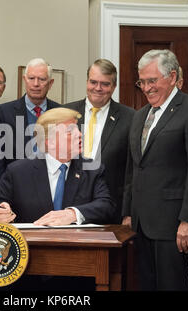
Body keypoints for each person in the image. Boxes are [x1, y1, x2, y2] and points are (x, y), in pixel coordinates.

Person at [122, 49, 188, 290]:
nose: (146, 88)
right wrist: (128, 212)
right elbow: (134, 168)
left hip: (174, 226)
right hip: (141, 225)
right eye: (142, 82)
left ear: (172, 77)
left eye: (153, 81)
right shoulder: (139, 116)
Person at [0, 107, 114, 226]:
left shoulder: (91, 169)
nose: (79, 135)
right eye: (70, 131)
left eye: (78, 129)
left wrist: (72, 214)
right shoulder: (19, 171)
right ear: (50, 142)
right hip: (32, 249)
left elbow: (106, 206)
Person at [65, 59, 134, 223]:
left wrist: (128, 212)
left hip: (111, 208)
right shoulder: (66, 113)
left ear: (114, 86)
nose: (98, 88)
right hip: (68, 206)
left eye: (105, 84)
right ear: (87, 81)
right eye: (93, 82)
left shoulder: (131, 117)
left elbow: (132, 171)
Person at [0, 58, 59, 183]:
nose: (36, 84)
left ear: (50, 83)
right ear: (24, 80)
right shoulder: (5, 112)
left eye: (42, 79)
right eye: (31, 78)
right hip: (16, 185)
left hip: (51, 185)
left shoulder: (60, 112)